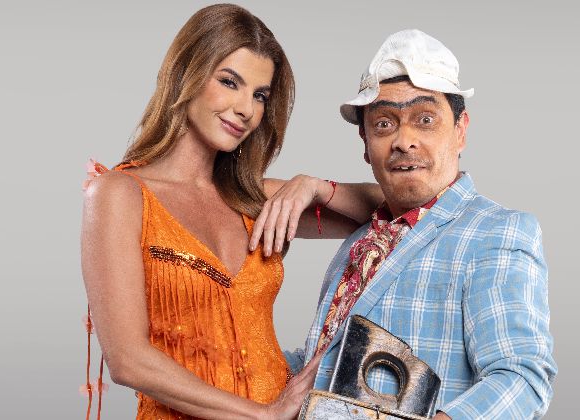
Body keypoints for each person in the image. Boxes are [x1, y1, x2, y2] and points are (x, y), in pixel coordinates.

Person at [80, 4, 381, 420]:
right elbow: (128, 360)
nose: (246, 109)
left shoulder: (255, 200)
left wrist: (313, 186)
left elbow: (394, 207)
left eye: (260, 95)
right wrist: (264, 415)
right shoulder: (121, 195)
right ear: (186, 75)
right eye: (229, 82)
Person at [276, 29, 557, 419]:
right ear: (364, 142)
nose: (404, 140)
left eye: (425, 119)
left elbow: (521, 378)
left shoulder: (496, 233)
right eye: (384, 124)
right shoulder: (363, 240)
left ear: (460, 130)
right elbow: (324, 363)